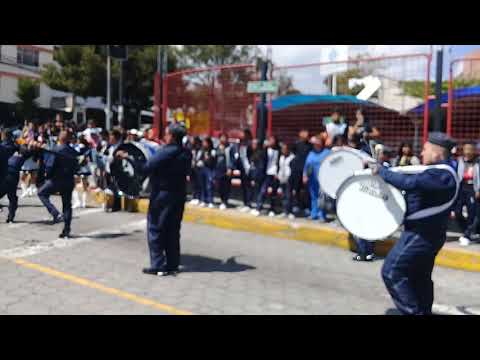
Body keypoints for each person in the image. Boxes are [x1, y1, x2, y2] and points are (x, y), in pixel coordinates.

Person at [369, 132, 458, 315]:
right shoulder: (438, 172)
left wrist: (382, 172)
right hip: (425, 234)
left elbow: (410, 182)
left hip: (421, 235)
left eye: (425, 150)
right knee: (419, 277)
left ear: (437, 154)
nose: (422, 153)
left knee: (392, 272)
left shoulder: (442, 175)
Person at [116, 123, 191, 277]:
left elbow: (144, 167)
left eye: (167, 133)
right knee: (172, 230)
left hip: (162, 195)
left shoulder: (165, 152)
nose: (165, 136)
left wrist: (127, 157)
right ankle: (172, 264)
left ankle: (157, 265)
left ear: (171, 136)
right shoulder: (186, 153)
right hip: (179, 195)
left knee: (156, 228)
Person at [37, 130, 80, 238]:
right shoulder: (73, 151)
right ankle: (66, 230)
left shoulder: (56, 149)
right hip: (69, 180)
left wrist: (47, 175)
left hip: (56, 179)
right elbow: (77, 167)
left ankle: (55, 213)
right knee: (67, 205)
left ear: (60, 138)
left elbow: (50, 166)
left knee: (41, 193)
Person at [453, 142, 480, 246]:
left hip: (473, 188)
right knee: (457, 212)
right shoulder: (460, 161)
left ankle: (467, 235)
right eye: (466, 149)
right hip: (461, 187)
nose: (468, 152)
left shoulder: (477, 162)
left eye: (470, 149)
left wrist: (478, 189)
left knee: (472, 213)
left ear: (474, 151)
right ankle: (467, 231)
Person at [303, 136, 331, 222]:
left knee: (322, 197)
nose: (316, 144)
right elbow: (306, 165)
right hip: (312, 178)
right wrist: (304, 176)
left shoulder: (327, 152)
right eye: (315, 143)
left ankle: (322, 215)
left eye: (318, 142)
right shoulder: (311, 153)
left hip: (323, 179)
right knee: (313, 197)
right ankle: (314, 214)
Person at [252, 136, 280, 217]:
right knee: (263, 190)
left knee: (273, 192)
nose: (271, 142)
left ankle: (272, 209)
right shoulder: (265, 150)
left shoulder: (278, 151)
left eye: (272, 140)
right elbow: (258, 157)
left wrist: (277, 172)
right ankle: (258, 208)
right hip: (266, 173)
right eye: (269, 140)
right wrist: (264, 147)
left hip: (274, 173)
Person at [229, 129, 253, 212]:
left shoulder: (250, 144)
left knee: (248, 187)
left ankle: (249, 204)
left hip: (249, 168)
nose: (240, 134)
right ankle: (245, 203)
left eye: (242, 133)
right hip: (242, 168)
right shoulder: (238, 144)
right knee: (244, 187)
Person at [290, 129, 312, 218]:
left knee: (307, 190)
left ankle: (307, 208)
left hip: (306, 170)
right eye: (304, 133)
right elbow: (293, 154)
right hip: (297, 170)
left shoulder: (310, 145)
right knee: (296, 189)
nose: (306, 134)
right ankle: (296, 207)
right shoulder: (296, 144)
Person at [277, 143, 295, 219]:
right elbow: (279, 167)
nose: (283, 151)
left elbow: (293, 170)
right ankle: (284, 211)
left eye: (284, 149)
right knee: (283, 196)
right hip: (282, 179)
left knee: (289, 196)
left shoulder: (292, 157)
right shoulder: (281, 157)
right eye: (282, 149)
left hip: (289, 179)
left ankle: (289, 212)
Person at [215, 134, 232, 210]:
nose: (223, 139)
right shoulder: (217, 147)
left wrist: (230, 168)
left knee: (226, 186)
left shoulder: (229, 148)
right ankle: (221, 200)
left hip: (226, 170)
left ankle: (225, 201)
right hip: (218, 170)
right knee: (219, 186)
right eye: (222, 137)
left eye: (224, 138)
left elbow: (232, 159)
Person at [198, 137, 216, 208]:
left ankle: (210, 200)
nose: (204, 144)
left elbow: (212, 160)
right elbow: (199, 158)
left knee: (209, 186)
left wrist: (206, 161)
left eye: (205, 142)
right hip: (202, 169)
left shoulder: (212, 151)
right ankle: (203, 200)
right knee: (202, 185)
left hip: (209, 169)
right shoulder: (202, 150)